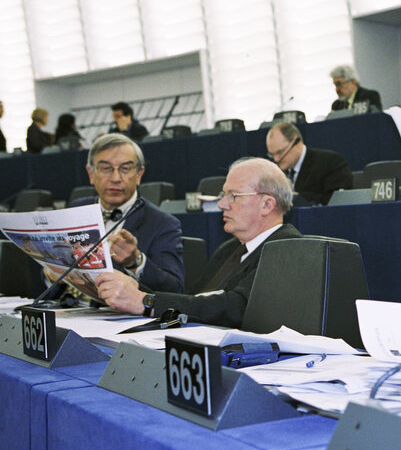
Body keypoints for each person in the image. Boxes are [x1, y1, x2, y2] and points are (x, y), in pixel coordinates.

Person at [95, 157, 302, 328]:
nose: (221, 204)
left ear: (267, 204)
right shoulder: (229, 249)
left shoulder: (288, 249)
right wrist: (128, 287)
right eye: (224, 195)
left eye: (233, 196)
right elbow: (193, 299)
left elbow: (238, 308)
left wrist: (145, 301)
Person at [70, 133, 184, 294]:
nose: (116, 178)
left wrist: (136, 262)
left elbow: (175, 289)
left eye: (125, 169)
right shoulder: (76, 210)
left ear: (139, 174)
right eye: (105, 168)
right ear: (90, 174)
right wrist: (51, 274)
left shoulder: (163, 223)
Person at [266, 122, 353, 205]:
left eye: (280, 152)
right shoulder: (277, 172)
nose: (276, 159)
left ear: (297, 143)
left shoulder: (329, 162)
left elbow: (336, 201)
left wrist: (298, 197)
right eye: (272, 154)